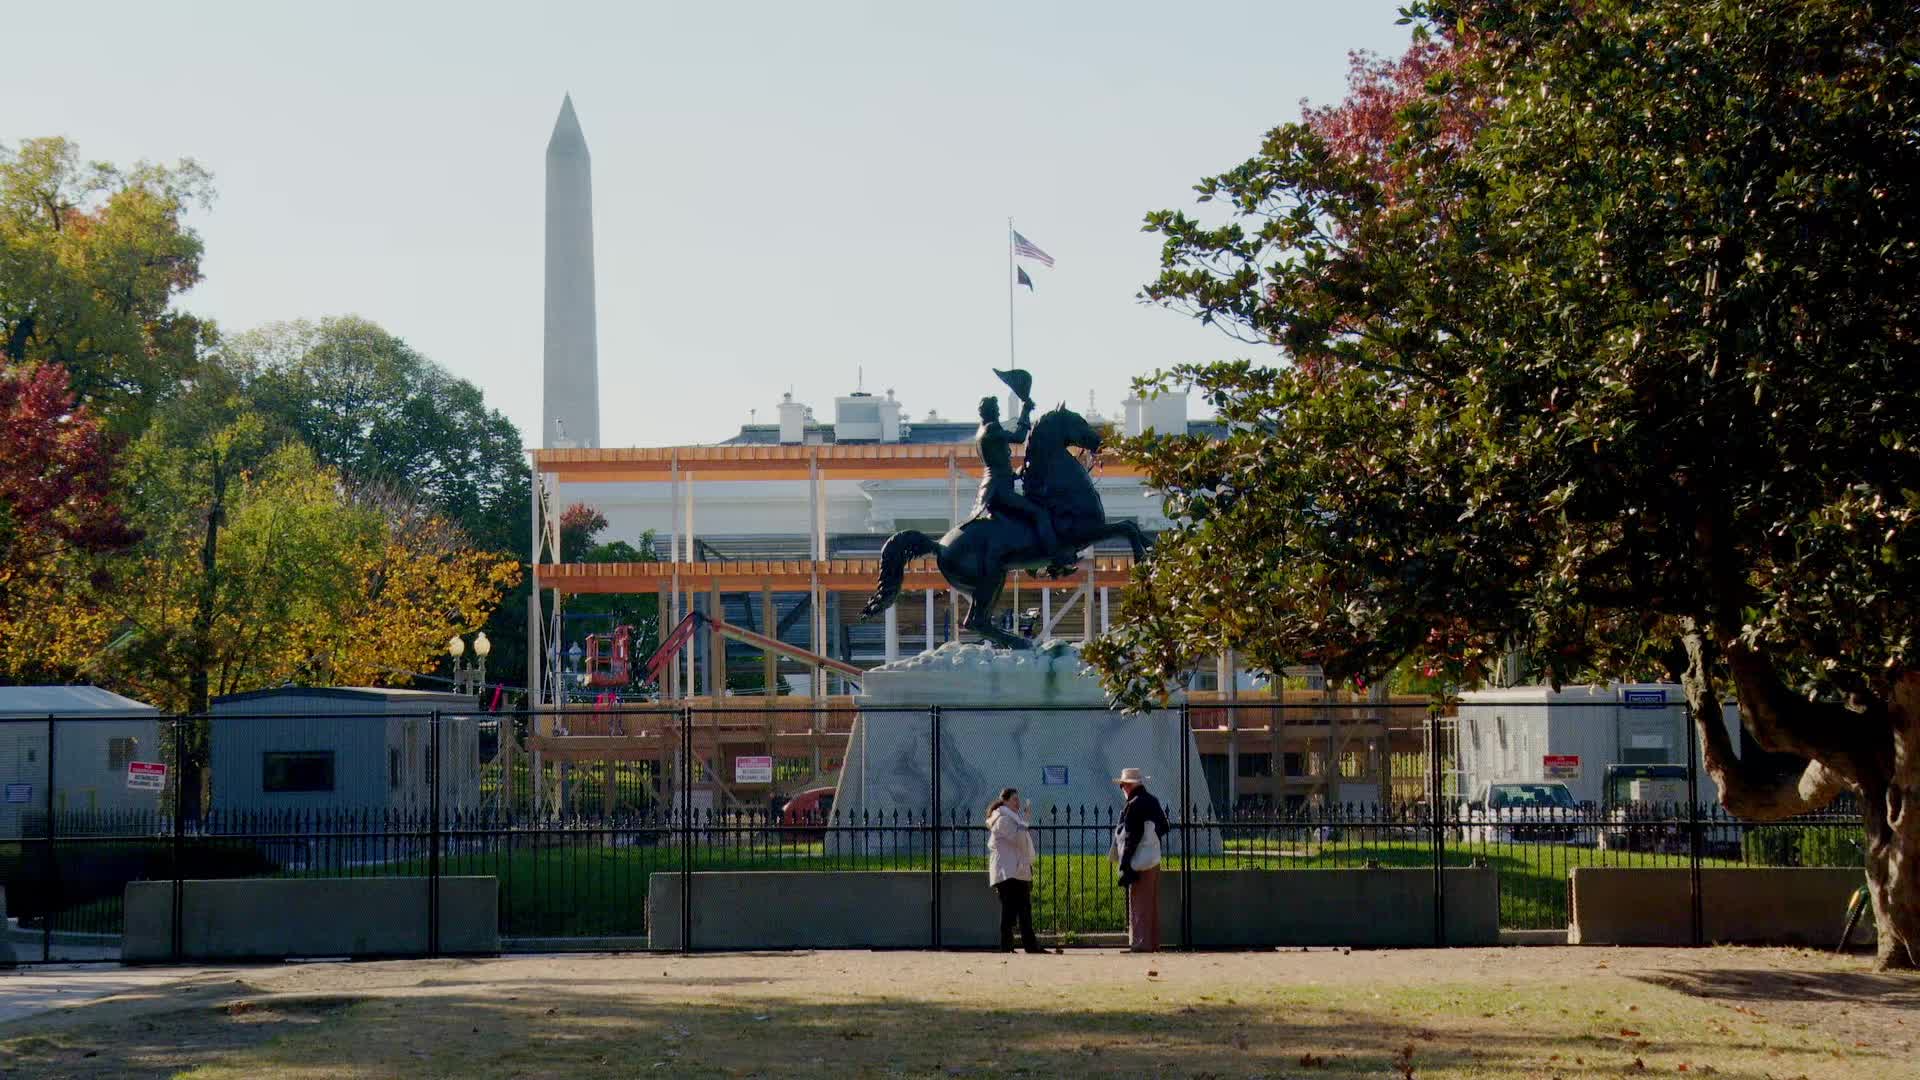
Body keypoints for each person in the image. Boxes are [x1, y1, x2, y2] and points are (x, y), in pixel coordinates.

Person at [1111, 767, 1169, 952]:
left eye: (1122, 785)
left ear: (1128, 786)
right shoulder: (1152, 801)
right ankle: (1153, 943)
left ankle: (1140, 943)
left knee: (1138, 902)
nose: (1122, 788)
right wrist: (1152, 839)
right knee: (1151, 903)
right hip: (1153, 859)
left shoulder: (1133, 804)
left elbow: (1131, 836)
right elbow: (1165, 826)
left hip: (1138, 860)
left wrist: (1125, 863)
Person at [986, 787, 1044, 954]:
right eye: (1014, 800)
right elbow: (1018, 840)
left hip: (1016, 870)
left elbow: (1021, 842)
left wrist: (1023, 821)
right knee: (1009, 911)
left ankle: (1030, 945)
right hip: (1007, 872)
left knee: (1024, 910)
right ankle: (1007, 946)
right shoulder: (1002, 819)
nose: (1018, 803)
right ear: (1005, 801)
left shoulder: (1012, 818)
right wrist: (1025, 820)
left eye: (1018, 799)